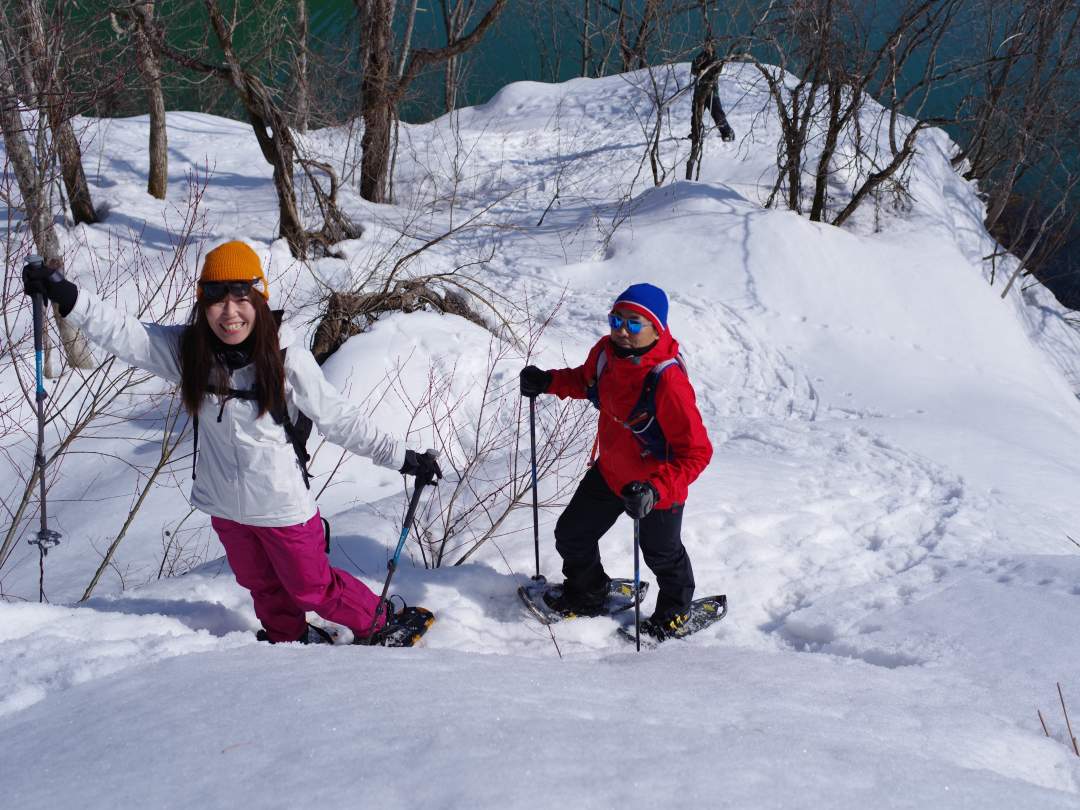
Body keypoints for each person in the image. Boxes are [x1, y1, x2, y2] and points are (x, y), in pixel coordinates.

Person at [23, 241, 440, 645]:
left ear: (258, 299)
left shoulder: (285, 358)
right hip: (225, 506)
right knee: (261, 586)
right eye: (217, 298)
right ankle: (288, 639)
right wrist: (67, 294)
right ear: (204, 305)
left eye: (241, 295)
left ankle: (379, 622)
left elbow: (339, 419)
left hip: (282, 508)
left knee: (314, 589)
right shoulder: (192, 354)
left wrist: (401, 458)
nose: (229, 312)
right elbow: (124, 333)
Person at [519, 284, 713, 640]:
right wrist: (548, 381)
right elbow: (584, 380)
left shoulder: (667, 381)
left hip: (657, 487)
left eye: (634, 323)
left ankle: (675, 611)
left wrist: (655, 489)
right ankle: (588, 593)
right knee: (572, 535)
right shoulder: (606, 354)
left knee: (661, 555)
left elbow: (697, 452)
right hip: (611, 472)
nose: (622, 330)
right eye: (616, 319)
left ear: (658, 327)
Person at [690, 42, 735, 143]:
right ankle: (695, 133)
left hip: (711, 90)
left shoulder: (717, 59)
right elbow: (693, 69)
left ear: (713, 47)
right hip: (700, 90)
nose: (707, 47)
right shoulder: (700, 57)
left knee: (717, 113)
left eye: (710, 45)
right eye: (706, 45)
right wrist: (699, 71)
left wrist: (709, 74)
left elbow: (717, 73)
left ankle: (727, 132)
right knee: (696, 113)